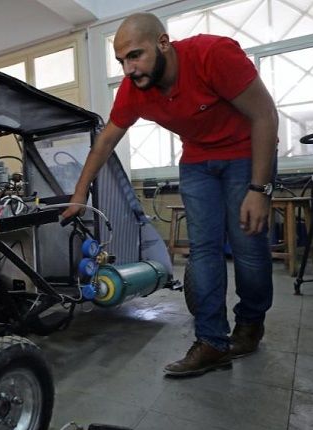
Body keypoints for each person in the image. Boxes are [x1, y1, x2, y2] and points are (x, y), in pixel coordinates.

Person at [63, 13, 278, 377]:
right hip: (197, 162)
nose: (128, 69)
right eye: (121, 62)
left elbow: (265, 116)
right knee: (204, 250)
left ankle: (250, 324)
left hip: (246, 154)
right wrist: (79, 193)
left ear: (163, 43)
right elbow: (104, 144)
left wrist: (260, 189)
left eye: (135, 55)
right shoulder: (135, 90)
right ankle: (212, 341)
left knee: (248, 247)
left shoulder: (213, 55)